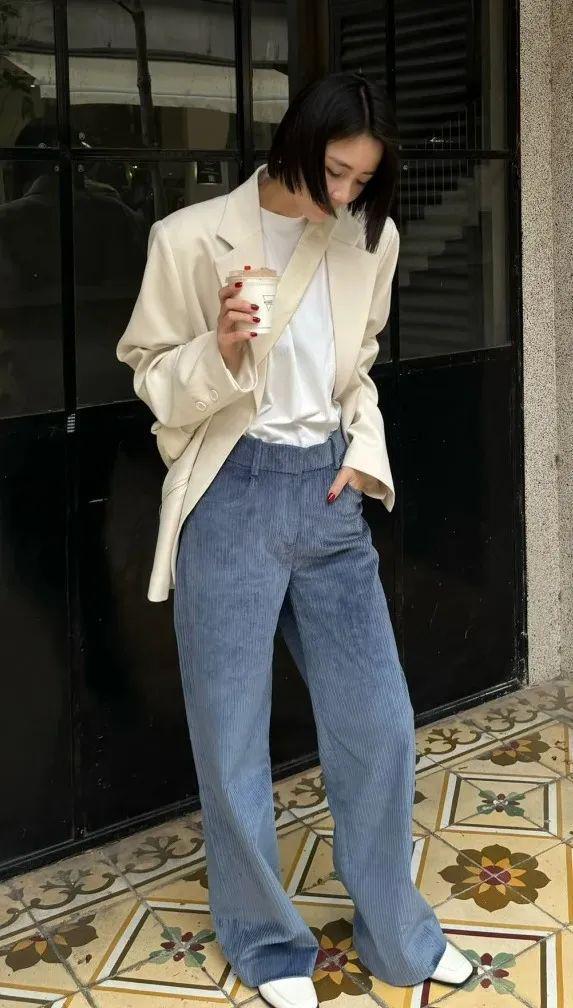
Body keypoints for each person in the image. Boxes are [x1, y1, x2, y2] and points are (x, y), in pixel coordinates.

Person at [116, 71, 476, 1005]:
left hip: (325, 495)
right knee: (230, 735)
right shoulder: (188, 237)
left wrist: (362, 456)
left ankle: (397, 931)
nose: (346, 193)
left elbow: (357, 370)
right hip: (229, 497)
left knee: (379, 723)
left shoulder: (370, 240)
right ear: (294, 144)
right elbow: (150, 375)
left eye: (362, 179)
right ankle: (267, 943)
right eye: (334, 171)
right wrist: (222, 348)